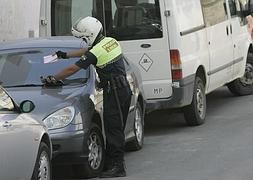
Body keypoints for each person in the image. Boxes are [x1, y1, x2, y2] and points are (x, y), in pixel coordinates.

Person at [41, 16, 132, 178]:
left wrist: (54, 78)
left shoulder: (96, 52)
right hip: (122, 89)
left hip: (115, 92)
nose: (82, 40)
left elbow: (71, 70)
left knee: (114, 129)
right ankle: (113, 164)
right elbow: (89, 52)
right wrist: (65, 55)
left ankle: (118, 168)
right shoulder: (110, 41)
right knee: (115, 128)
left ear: (89, 34)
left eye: (83, 37)